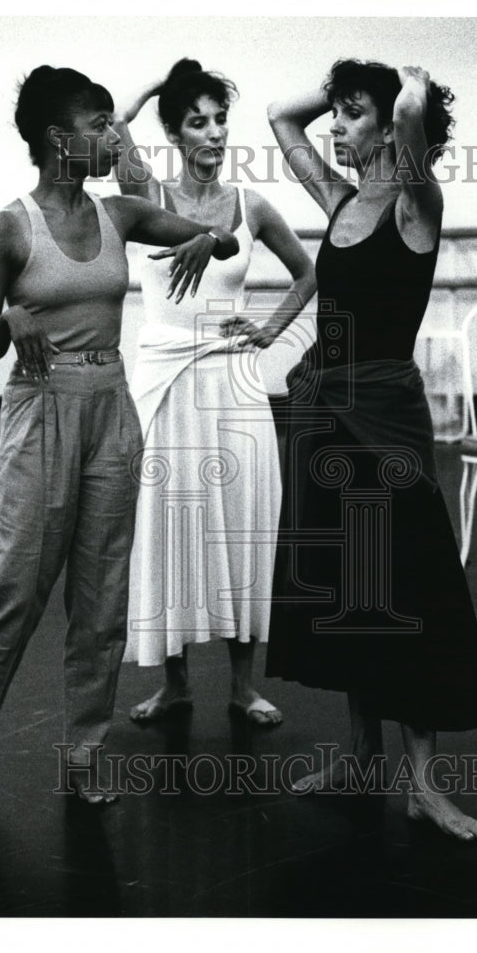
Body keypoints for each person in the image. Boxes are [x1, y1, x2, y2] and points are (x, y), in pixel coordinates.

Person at [0, 65, 240, 803]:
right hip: (40, 411)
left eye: (113, 122)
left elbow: (223, 238)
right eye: (98, 124)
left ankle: (83, 753)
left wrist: (210, 241)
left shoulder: (123, 214)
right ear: (57, 139)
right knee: (15, 590)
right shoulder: (4, 229)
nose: (112, 136)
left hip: (112, 408)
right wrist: (6, 322)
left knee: (102, 599)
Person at [265, 60, 477, 840]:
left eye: (350, 116)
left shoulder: (416, 204)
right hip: (324, 414)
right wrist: (345, 76)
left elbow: (408, 123)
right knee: (348, 594)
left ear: (389, 128)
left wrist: (402, 85)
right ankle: (359, 756)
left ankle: (423, 787)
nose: (335, 127)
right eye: (337, 114)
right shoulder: (337, 202)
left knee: (405, 594)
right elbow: (278, 117)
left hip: (385, 420)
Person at [114, 59, 316, 725]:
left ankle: (241, 685)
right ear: (174, 131)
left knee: (240, 524)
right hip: (167, 380)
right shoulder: (149, 199)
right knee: (171, 523)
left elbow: (311, 273)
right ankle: (173, 684)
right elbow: (114, 133)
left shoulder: (250, 205)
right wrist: (151, 91)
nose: (213, 133)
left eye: (219, 119)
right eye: (196, 122)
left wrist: (267, 332)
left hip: (232, 380)